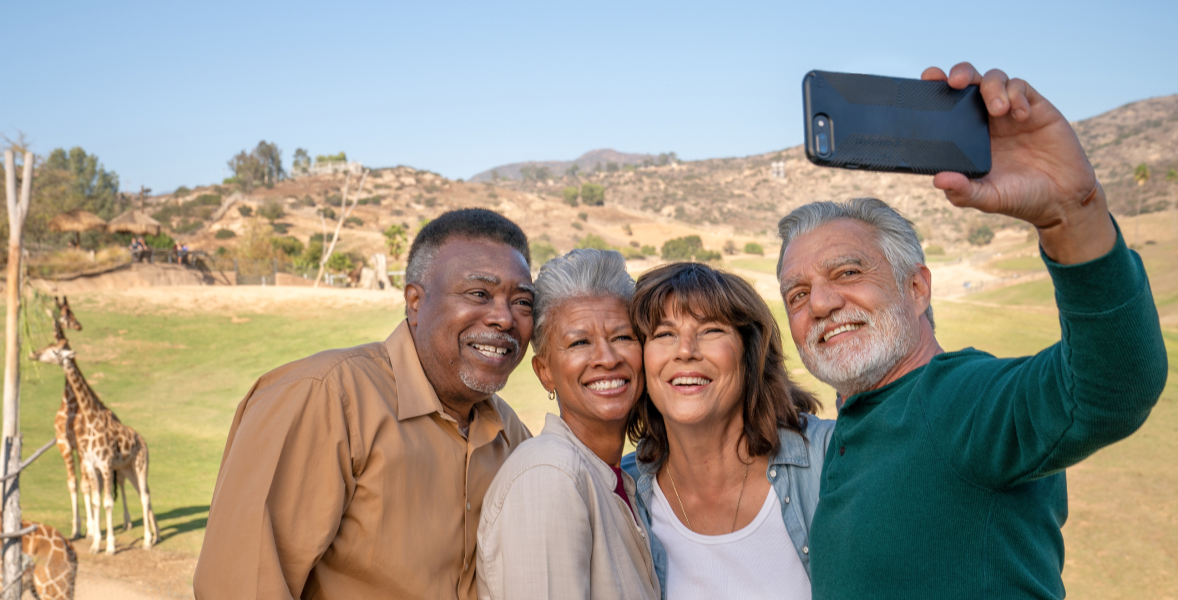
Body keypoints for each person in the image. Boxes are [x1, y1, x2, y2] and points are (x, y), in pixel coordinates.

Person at [775, 62, 1168, 600]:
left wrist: (1070, 216)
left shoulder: (956, 399)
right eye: (797, 295)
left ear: (917, 290)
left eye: (847, 272)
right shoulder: (853, 429)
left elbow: (1110, 387)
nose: (819, 303)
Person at [194, 208, 536, 599]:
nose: (504, 319)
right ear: (414, 302)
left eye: (523, 302)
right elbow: (240, 588)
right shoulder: (324, 397)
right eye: (479, 294)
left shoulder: (510, 435)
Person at [621, 262, 831, 600]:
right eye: (664, 334)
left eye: (710, 331)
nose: (686, 351)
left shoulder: (828, 458)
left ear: (750, 354)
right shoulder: (622, 496)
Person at [476, 249, 661, 600]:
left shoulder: (618, 478)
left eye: (622, 336)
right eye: (579, 342)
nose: (607, 358)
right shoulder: (549, 476)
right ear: (545, 372)